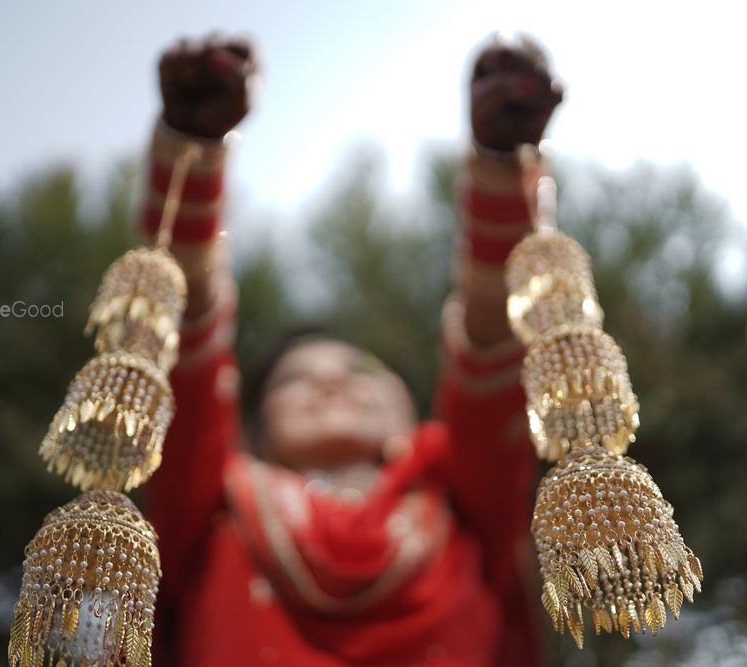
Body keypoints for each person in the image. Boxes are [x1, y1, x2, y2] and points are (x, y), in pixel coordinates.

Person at [142, 32, 564, 667]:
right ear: (253, 434)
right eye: (295, 379)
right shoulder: (214, 511)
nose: (329, 384)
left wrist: (502, 160)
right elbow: (183, 335)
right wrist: (191, 150)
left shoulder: (459, 500)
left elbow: (493, 344)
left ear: (407, 411)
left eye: (359, 371)